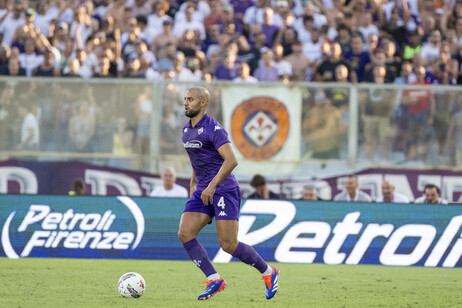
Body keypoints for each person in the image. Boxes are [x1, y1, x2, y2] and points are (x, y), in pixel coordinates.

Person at [178, 87, 279, 301]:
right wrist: (192, 185)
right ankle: (214, 279)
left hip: (223, 189)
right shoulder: (186, 131)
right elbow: (198, 160)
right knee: (185, 233)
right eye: (185, 99)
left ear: (203, 102)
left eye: (190, 99)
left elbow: (231, 160)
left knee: (228, 245)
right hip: (203, 189)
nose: (186, 103)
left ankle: (269, 273)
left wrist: (212, 185)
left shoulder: (213, 128)